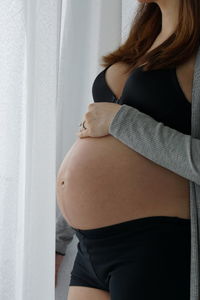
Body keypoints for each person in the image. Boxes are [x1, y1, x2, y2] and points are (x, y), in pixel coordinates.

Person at [56, 0, 200, 299]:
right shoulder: (145, 41)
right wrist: (59, 236)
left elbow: (119, 126)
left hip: (154, 246)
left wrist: (122, 122)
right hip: (90, 247)